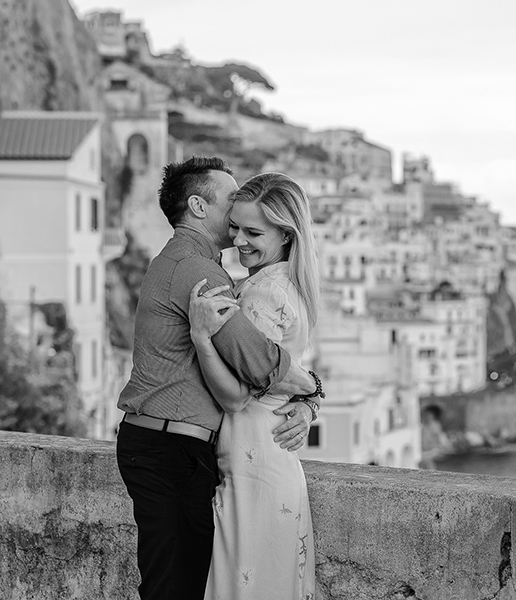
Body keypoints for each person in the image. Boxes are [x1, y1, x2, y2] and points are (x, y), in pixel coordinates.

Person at [115, 157, 323, 600]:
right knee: (177, 586)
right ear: (198, 206)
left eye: (252, 228)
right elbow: (260, 362)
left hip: (172, 446)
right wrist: (313, 389)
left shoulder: (185, 263)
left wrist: (308, 396)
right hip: (173, 448)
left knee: (180, 583)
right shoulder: (201, 273)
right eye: (231, 200)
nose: (235, 220)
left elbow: (262, 364)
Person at [187, 172, 321, 600]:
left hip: (253, 459)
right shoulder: (286, 286)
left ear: (286, 235)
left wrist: (203, 339)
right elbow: (294, 376)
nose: (239, 240)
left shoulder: (262, 294)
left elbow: (235, 394)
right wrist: (311, 399)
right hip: (269, 457)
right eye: (235, 227)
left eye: (253, 231)